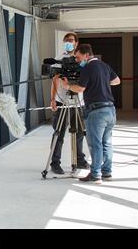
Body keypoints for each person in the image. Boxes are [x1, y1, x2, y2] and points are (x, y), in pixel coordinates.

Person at [61, 44, 121, 184]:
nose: (77, 60)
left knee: (96, 144)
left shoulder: (88, 67)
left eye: (78, 57)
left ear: (86, 55)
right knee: (106, 143)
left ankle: (95, 175)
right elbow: (117, 81)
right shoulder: (104, 66)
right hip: (110, 110)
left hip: (96, 111)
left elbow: (80, 88)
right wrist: (101, 83)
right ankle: (107, 172)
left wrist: (67, 86)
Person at [49, 32, 89, 174]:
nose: (69, 42)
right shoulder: (59, 59)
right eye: (66, 40)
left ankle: (79, 160)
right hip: (61, 100)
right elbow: (54, 81)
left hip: (79, 101)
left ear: (76, 43)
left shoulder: (82, 59)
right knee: (58, 133)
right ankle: (55, 162)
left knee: (79, 133)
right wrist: (53, 99)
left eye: (71, 40)